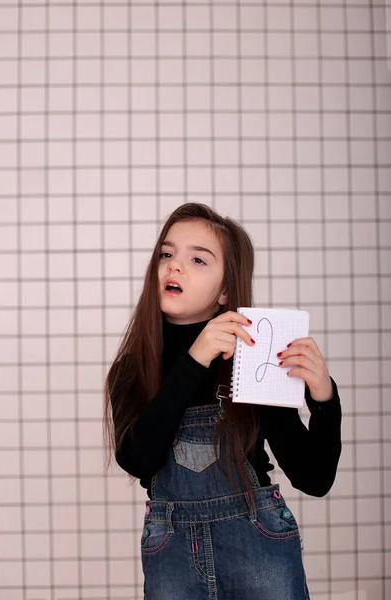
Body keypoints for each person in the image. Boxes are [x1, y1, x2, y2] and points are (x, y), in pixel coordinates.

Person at [103, 202, 342, 600]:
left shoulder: (251, 361)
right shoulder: (134, 367)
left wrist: (324, 399)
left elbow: (314, 478)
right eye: (167, 253)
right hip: (172, 560)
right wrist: (194, 359)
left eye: (198, 259)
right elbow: (136, 458)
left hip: (259, 551)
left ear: (226, 290)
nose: (174, 266)